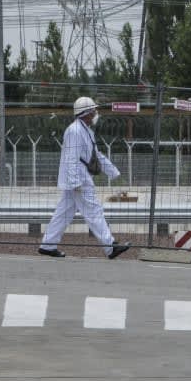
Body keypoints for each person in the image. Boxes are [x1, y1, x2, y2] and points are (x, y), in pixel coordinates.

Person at [38, 96, 131, 260]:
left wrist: (113, 171)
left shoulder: (85, 130)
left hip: (79, 178)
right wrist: (75, 182)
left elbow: (95, 155)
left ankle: (48, 245)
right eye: (94, 110)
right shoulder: (75, 131)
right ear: (87, 113)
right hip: (79, 180)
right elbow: (71, 158)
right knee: (94, 211)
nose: (96, 113)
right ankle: (111, 247)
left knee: (64, 213)